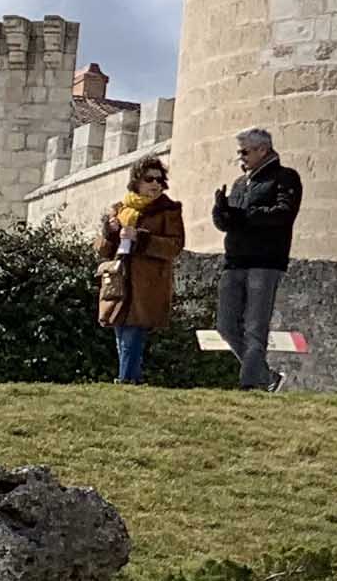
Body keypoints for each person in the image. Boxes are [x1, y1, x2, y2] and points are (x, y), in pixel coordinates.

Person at [208, 126, 304, 391]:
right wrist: (221, 212)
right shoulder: (240, 183)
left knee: (254, 327)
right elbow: (228, 223)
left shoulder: (285, 178)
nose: (241, 157)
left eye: (245, 152)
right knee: (226, 325)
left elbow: (283, 214)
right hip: (234, 261)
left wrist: (243, 215)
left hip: (265, 261)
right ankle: (266, 376)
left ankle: (250, 384)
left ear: (263, 150)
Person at [95, 159, 186, 384]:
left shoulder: (168, 210)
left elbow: (174, 246)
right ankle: (132, 379)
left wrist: (141, 238)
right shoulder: (120, 209)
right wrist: (109, 233)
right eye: (149, 179)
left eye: (159, 179)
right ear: (136, 181)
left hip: (148, 282)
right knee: (120, 330)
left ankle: (125, 380)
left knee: (133, 332)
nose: (155, 184)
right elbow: (102, 250)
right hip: (119, 277)